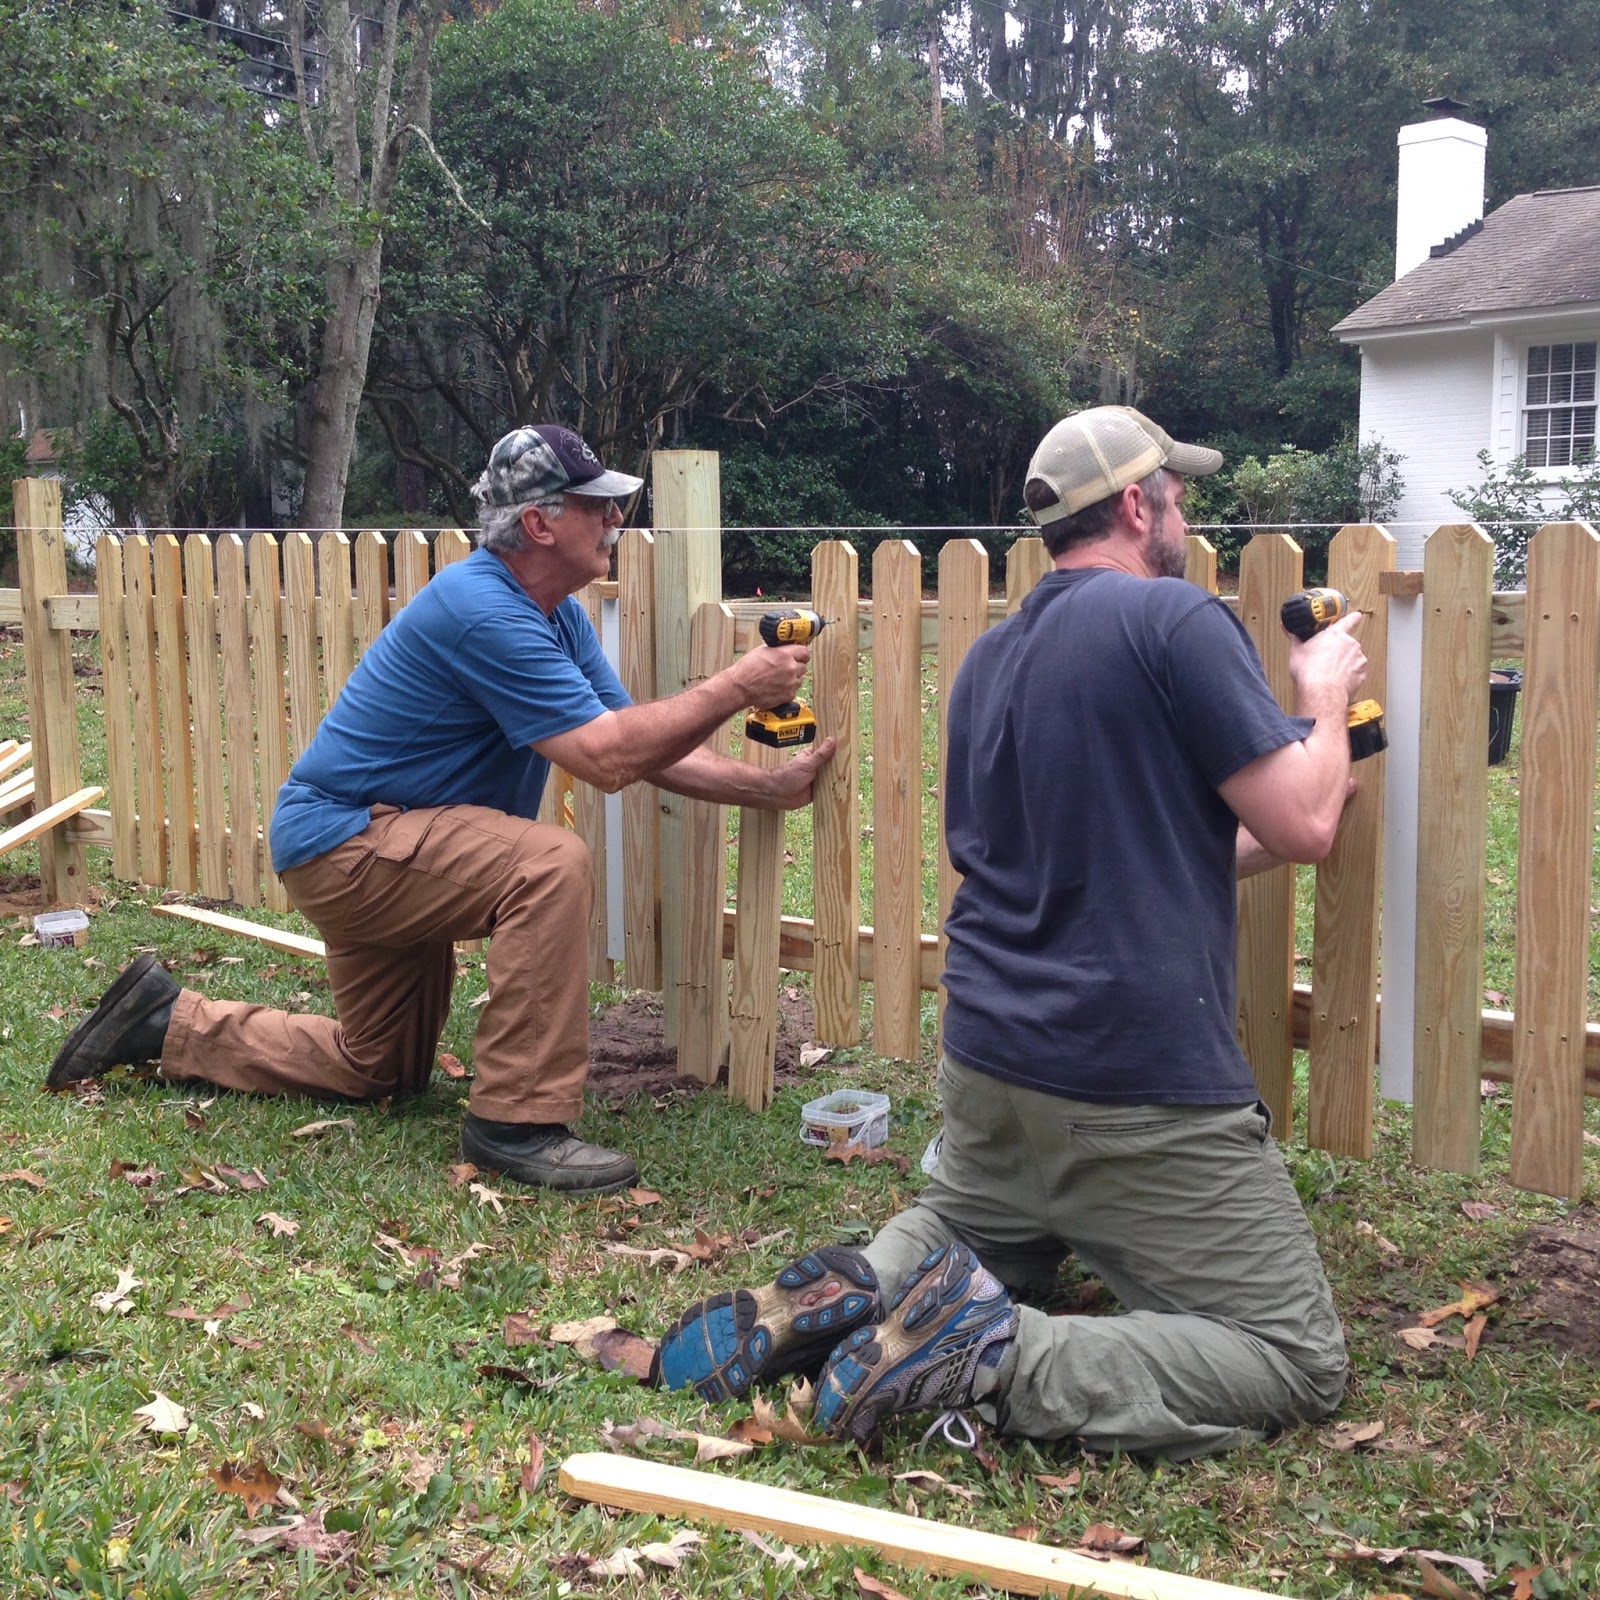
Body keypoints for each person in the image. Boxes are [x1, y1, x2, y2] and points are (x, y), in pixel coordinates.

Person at [656, 405, 1366, 1458]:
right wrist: (1322, 704)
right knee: (1294, 1359)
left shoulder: (990, 662)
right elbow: (1303, 821)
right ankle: (992, 1355)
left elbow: (1172, 846)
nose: (1185, 512)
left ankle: (860, 1290)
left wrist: (1302, 784)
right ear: (1136, 503)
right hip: (1130, 1084)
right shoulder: (1175, 619)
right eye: (1177, 492)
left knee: (983, 1236)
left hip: (989, 1068)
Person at [47, 424, 835, 1197]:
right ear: (539, 521)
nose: (615, 520)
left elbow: (631, 735)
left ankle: (164, 1022)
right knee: (548, 862)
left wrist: (762, 786)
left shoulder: (553, 612)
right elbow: (610, 760)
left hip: (392, 845)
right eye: (597, 505)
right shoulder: (482, 609)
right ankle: (517, 1126)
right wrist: (737, 686)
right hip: (351, 844)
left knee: (378, 1068)